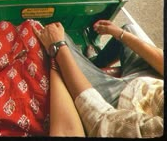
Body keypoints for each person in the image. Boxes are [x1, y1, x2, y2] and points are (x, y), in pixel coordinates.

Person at [33, 20, 164, 138]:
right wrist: (120, 33)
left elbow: (101, 121)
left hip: (120, 107)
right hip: (153, 84)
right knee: (129, 28)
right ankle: (95, 63)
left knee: (57, 35)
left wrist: (57, 47)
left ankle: (90, 66)